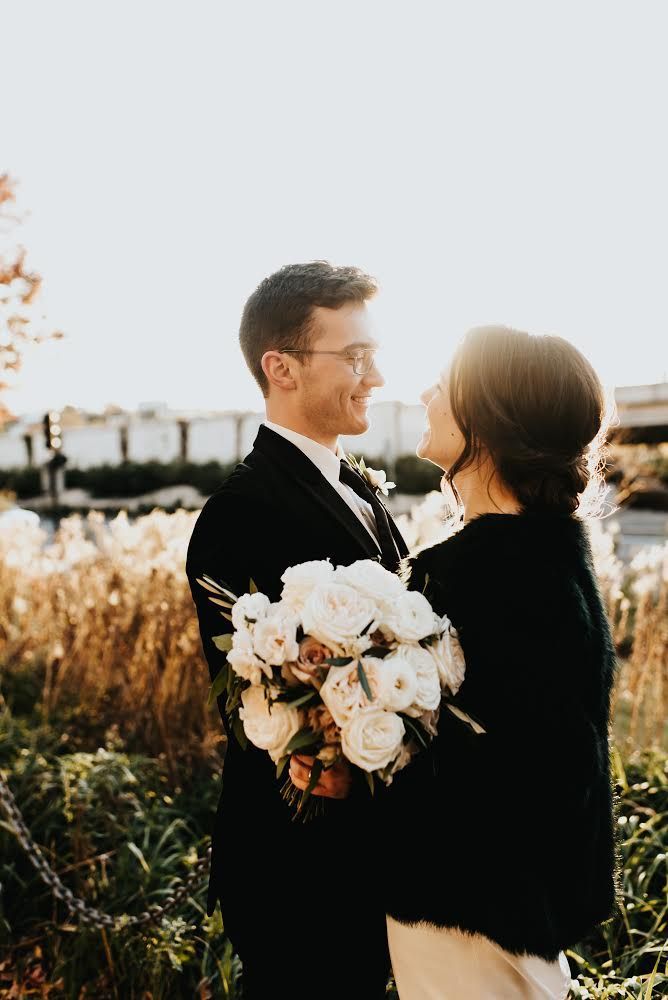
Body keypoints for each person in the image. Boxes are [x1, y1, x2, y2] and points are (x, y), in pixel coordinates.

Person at [293, 326, 620, 999]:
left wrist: (359, 754)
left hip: (472, 919)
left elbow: (535, 772)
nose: (423, 392)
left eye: (445, 384)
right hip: (488, 912)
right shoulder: (537, 556)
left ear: (491, 417)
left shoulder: (495, 576)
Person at [186, 261, 408, 999]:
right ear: (279, 367)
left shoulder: (364, 490)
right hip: (298, 870)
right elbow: (253, 705)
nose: (374, 376)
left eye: (374, 355)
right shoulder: (240, 513)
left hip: (379, 862)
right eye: (354, 357)